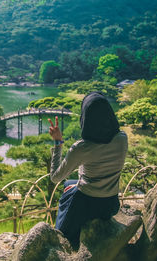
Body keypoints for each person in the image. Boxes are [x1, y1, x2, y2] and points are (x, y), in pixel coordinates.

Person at [48, 91, 128, 249]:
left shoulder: (82, 148)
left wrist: (58, 143)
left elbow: (55, 177)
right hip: (110, 203)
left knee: (62, 234)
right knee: (69, 185)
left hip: (85, 205)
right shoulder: (122, 138)